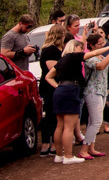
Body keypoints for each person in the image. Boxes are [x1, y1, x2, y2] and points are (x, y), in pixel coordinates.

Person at [77, 28, 109, 158]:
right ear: (91, 45)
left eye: (103, 43)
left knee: (93, 121)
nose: (103, 46)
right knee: (96, 121)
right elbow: (101, 66)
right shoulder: (89, 58)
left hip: (100, 90)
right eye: (99, 44)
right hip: (92, 91)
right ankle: (84, 149)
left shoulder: (100, 56)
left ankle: (91, 147)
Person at [46, 38, 89, 164]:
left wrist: (58, 86)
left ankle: (59, 155)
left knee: (60, 125)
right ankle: (68, 156)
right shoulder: (73, 57)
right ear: (74, 47)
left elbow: (48, 76)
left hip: (60, 91)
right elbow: (91, 54)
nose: (82, 51)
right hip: (71, 91)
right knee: (69, 127)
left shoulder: (62, 61)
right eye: (80, 48)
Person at [36, 23, 66, 157]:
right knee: (51, 115)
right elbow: (54, 69)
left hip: (49, 84)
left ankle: (50, 143)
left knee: (51, 114)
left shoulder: (49, 49)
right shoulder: (51, 50)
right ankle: (50, 144)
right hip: (50, 85)